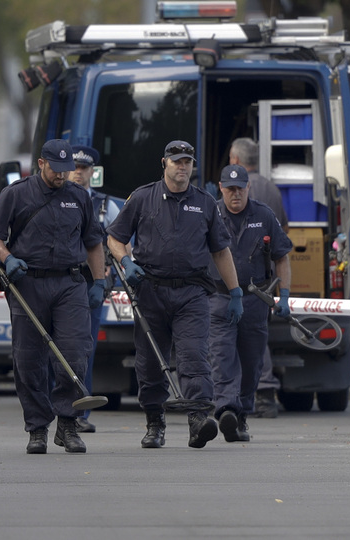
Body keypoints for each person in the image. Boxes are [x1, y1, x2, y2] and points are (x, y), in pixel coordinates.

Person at [106, 140, 242, 450]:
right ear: (164, 163)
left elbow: (220, 251)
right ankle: (155, 422)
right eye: (177, 161)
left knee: (194, 356)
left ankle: (198, 421)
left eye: (187, 161)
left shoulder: (205, 203)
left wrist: (235, 292)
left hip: (192, 293)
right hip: (150, 291)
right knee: (150, 363)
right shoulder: (142, 198)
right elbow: (114, 238)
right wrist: (125, 262)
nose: (182, 166)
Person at [0, 139, 107, 454]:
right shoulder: (17, 194)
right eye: (56, 169)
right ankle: (37, 426)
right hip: (28, 285)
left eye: (68, 170)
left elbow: (93, 243)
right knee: (28, 361)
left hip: (69, 285)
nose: (62, 175)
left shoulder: (79, 198)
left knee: (74, 354)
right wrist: (7, 257)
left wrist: (100, 282)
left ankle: (67, 423)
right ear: (41, 164)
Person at [208, 164, 293, 442]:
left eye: (240, 189)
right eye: (230, 189)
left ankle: (241, 413)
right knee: (222, 357)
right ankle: (227, 409)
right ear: (221, 188)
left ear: (248, 188)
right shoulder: (211, 214)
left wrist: (285, 296)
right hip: (220, 298)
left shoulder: (264, 215)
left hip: (255, 299)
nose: (236, 194)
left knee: (252, 361)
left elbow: (281, 256)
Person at [229, 137, 288, 417]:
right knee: (255, 335)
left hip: (245, 279)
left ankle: (261, 391)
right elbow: (283, 232)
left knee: (245, 337)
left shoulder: (235, 195)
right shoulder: (273, 189)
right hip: (268, 277)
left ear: (237, 161)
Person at [67, 144, 121, 433]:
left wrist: (109, 270)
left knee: (86, 348)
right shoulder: (58, 199)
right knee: (60, 347)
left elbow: (118, 241)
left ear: (92, 171)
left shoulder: (103, 206)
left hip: (91, 284)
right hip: (62, 280)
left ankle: (80, 413)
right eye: (74, 167)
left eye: (83, 168)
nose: (78, 173)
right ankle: (59, 408)